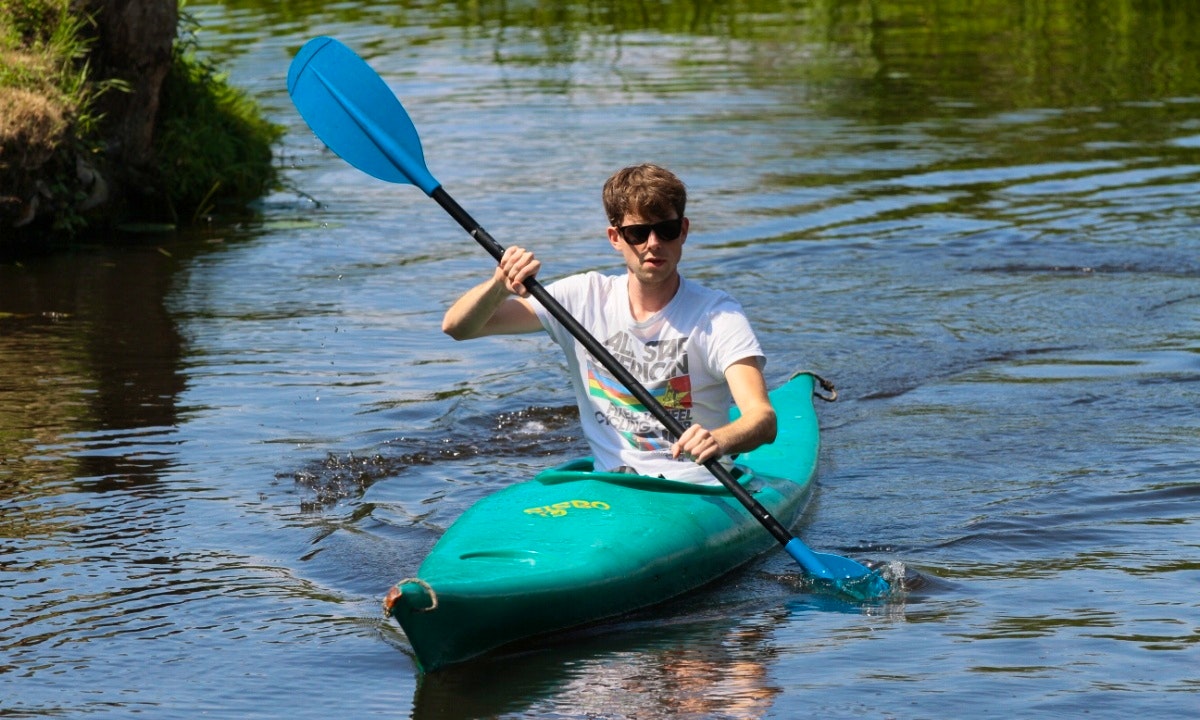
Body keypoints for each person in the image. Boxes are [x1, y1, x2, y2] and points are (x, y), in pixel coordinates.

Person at [442, 164, 776, 483]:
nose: (654, 243)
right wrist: (498, 286)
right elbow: (459, 328)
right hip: (613, 486)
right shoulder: (581, 298)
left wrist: (720, 439)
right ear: (615, 237)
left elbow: (762, 419)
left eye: (667, 229)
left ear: (684, 231)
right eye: (638, 232)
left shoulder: (717, 315)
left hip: (697, 486)